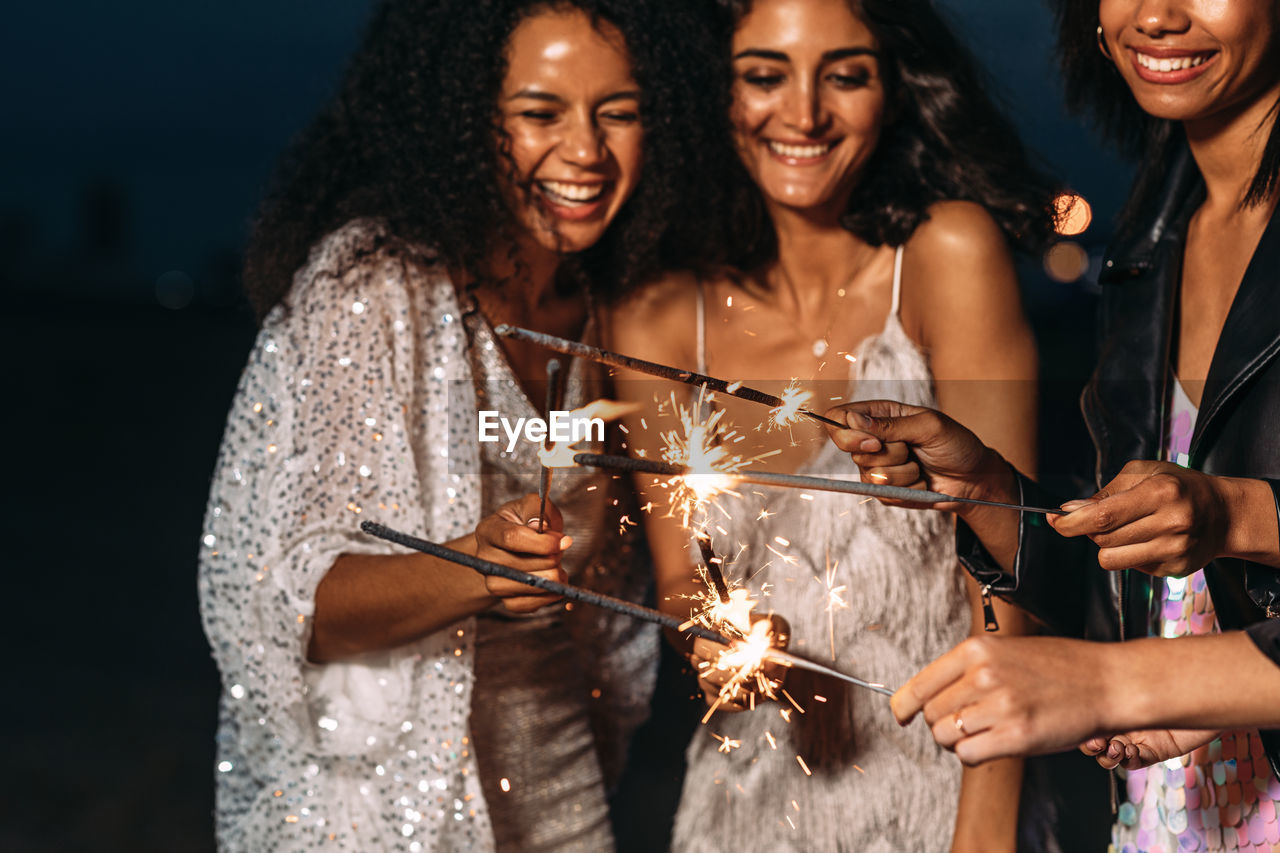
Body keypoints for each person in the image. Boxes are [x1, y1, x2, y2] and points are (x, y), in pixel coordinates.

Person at [197, 0, 727, 849]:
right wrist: (472, 571)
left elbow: (652, 577)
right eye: (539, 112)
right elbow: (291, 605)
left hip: (559, 791)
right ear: (460, 118)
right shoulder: (371, 292)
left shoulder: (614, 310)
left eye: (619, 112)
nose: (586, 151)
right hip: (377, 809)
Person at [825, 0, 1280, 849]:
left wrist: (1117, 681)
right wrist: (992, 494)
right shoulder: (1158, 227)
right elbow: (1154, 605)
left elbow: (1127, 663)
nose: (1158, 14)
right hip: (1174, 819)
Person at [609, 0, 1059, 849]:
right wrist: (716, 636)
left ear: (894, 88)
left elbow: (1011, 563)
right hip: (744, 803)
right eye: (764, 76)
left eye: (845, 74)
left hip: (944, 794)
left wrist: (988, 828)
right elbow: (680, 577)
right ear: (710, 91)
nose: (805, 112)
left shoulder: (944, 256)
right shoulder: (654, 317)